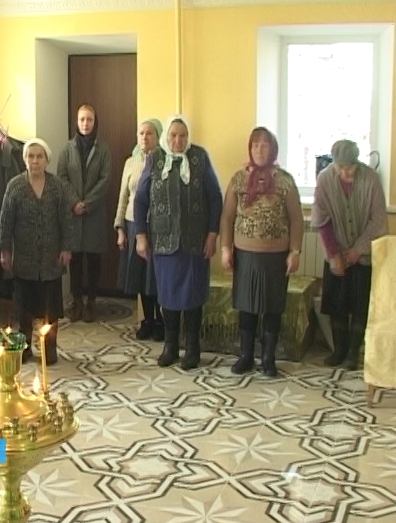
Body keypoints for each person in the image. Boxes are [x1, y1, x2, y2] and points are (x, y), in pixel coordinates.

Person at [134, 115, 223, 370]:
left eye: (183, 135)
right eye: (173, 135)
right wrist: (141, 236)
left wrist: (213, 234)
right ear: (166, 137)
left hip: (195, 243)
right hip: (164, 243)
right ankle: (170, 346)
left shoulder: (199, 157)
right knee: (168, 297)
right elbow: (141, 199)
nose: (178, 140)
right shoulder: (156, 159)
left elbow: (215, 197)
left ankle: (192, 349)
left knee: (193, 296)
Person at [220, 127, 304, 377]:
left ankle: (268, 359)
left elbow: (297, 220)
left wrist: (295, 251)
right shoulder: (238, 179)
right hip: (245, 255)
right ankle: (246, 356)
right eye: (255, 145)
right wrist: (225, 248)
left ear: (273, 149)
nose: (259, 150)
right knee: (246, 306)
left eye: (265, 145)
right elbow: (227, 217)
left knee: (272, 307)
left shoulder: (285, 181)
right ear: (250, 148)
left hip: (276, 257)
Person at [310, 139, 387, 370]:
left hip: (363, 253)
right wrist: (334, 255)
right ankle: (339, 350)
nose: (346, 173)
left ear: (357, 163)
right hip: (336, 251)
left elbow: (378, 221)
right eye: (341, 167)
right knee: (337, 302)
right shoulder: (325, 179)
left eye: (350, 167)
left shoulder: (371, 180)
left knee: (360, 303)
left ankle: (353, 353)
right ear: (334, 164)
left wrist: (357, 250)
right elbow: (321, 220)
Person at [0, 138, 74, 365]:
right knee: (24, 309)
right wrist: (5, 250)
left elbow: (66, 220)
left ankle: (49, 347)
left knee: (51, 308)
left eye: (39, 156)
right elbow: (5, 222)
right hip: (25, 260)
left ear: (47, 160)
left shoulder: (58, 186)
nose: (35, 161)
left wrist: (66, 248)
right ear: (25, 160)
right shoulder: (15, 187)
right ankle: (24, 347)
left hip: (51, 259)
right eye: (30, 156)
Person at [57, 104, 111, 323]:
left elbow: (105, 180)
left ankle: (91, 302)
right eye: (82, 119)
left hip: (94, 213)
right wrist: (74, 203)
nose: (85, 124)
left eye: (89, 119)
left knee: (94, 258)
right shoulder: (67, 149)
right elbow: (62, 177)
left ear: (95, 122)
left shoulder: (103, 149)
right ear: (77, 122)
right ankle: (76, 301)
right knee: (76, 260)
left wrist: (87, 204)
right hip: (73, 214)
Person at [115, 118, 165, 341]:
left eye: (149, 133)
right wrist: (120, 229)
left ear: (158, 136)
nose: (145, 137)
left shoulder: (164, 162)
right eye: (141, 133)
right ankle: (147, 320)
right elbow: (123, 197)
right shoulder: (131, 162)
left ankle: (161, 321)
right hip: (133, 224)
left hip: (156, 227)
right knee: (140, 277)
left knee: (155, 277)